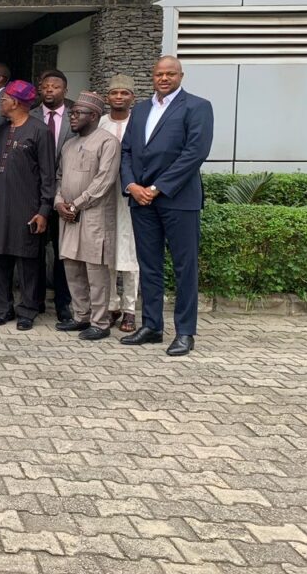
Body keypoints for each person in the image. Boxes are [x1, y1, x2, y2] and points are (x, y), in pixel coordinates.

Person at [120, 56, 213, 356]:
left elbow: (195, 153)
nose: (164, 78)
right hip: (141, 200)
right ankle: (152, 326)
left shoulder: (197, 107)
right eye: (159, 74)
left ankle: (185, 332)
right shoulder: (142, 109)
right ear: (152, 76)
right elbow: (127, 151)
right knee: (149, 265)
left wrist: (157, 188)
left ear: (181, 76)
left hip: (178, 199)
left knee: (185, 267)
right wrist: (132, 185)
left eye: (170, 74)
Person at [0, 80, 55, 331]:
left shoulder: (40, 131)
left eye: (4, 99)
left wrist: (43, 210)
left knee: (27, 261)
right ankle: (3, 309)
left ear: (15, 102)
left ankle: (28, 309)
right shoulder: (1, 130)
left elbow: (48, 175)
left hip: (28, 208)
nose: (1, 103)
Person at [54, 92, 121, 341]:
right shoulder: (69, 144)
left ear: (93, 116)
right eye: (71, 113)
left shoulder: (107, 142)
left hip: (94, 216)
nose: (72, 117)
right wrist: (59, 202)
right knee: (72, 266)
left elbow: (105, 181)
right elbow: (59, 177)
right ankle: (81, 317)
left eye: (77, 113)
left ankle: (100, 322)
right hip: (68, 216)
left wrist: (77, 204)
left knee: (96, 271)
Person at [31, 69, 76, 323]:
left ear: (65, 90)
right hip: (35, 194)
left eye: (55, 87)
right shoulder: (32, 115)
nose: (49, 90)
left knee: (63, 251)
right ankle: (35, 300)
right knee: (34, 249)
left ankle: (63, 304)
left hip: (66, 193)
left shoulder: (75, 116)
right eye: (45, 86)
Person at [99, 74, 140, 333]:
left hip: (131, 195)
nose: (119, 97)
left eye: (124, 93)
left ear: (132, 98)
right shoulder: (100, 123)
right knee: (107, 250)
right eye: (115, 93)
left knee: (130, 251)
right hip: (104, 196)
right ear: (107, 98)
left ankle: (130, 309)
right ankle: (111, 305)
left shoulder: (139, 123)